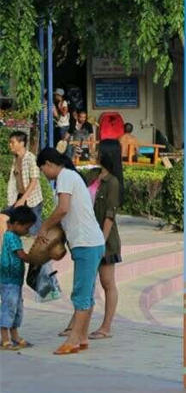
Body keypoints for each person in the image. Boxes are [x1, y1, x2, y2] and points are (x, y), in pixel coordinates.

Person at [37, 148, 105, 355]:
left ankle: (73, 339)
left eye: (42, 169)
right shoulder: (71, 176)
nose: (44, 174)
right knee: (87, 293)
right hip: (91, 242)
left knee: (81, 294)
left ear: (49, 164)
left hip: (86, 243)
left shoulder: (65, 176)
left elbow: (63, 208)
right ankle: (82, 337)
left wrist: (44, 226)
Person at [58, 140, 124, 340]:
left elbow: (110, 215)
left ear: (107, 154)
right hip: (87, 235)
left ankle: (106, 326)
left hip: (105, 239)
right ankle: (75, 324)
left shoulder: (113, 182)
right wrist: (67, 154)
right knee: (86, 282)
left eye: (98, 150)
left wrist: (101, 241)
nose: (94, 152)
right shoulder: (93, 175)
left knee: (107, 282)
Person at [0, 206, 36, 350]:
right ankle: (5, 338)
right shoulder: (11, 237)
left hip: (15, 280)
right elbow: (21, 255)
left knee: (16, 308)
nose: (27, 231)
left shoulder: (14, 237)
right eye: (26, 228)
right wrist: (35, 258)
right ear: (16, 224)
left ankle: (14, 336)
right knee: (9, 307)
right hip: (9, 280)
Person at [6, 131, 43, 235]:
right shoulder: (16, 158)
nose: (10, 145)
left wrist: (22, 200)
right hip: (20, 197)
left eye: (12, 142)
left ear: (21, 143)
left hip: (32, 200)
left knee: (34, 231)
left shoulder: (31, 158)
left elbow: (34, 181)